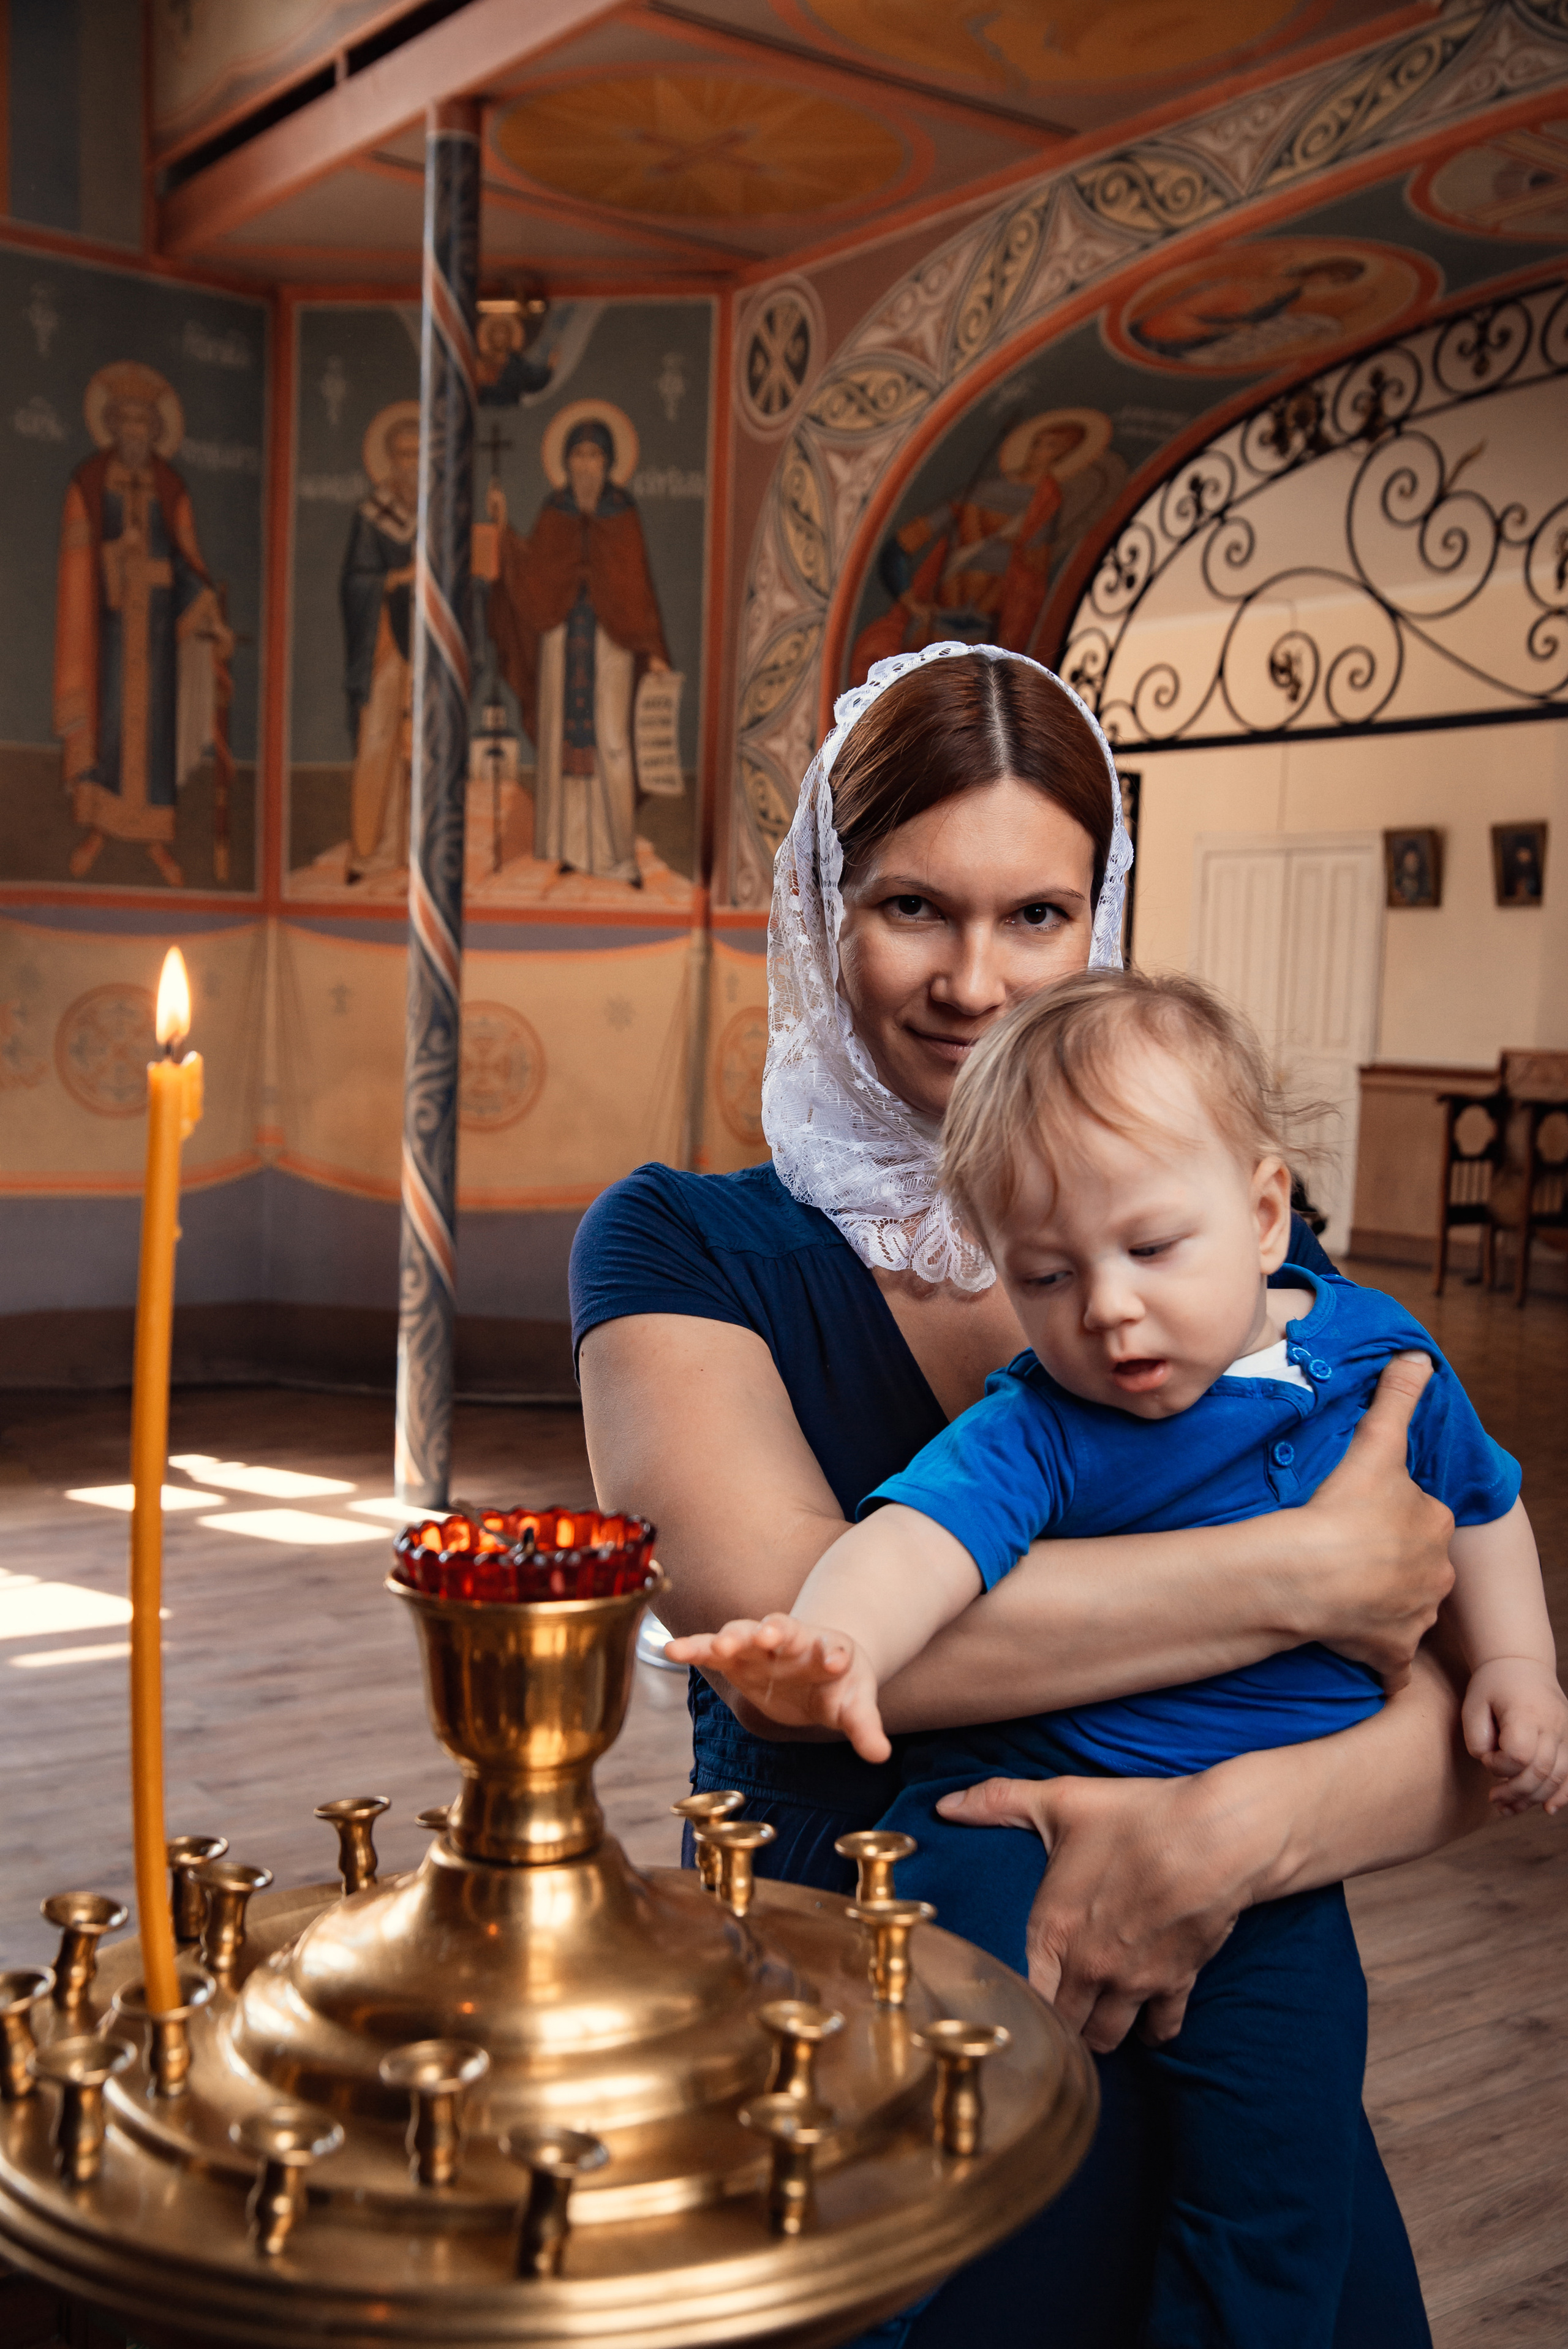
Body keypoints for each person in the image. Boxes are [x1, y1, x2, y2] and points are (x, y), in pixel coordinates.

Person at [571, 642, 1477, 2345]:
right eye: (915, 905)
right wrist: (1313, 1573)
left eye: (1040, 916)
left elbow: (1457, 1739)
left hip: (1235, 1998)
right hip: (874, 2025)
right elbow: (806, 1629)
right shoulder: (683, 1242)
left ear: (1105, 913)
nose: (976, 983)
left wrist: (1214, 1839)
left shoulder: (1248, 1267)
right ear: (819, 905)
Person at [673, 966, 1567, 2344]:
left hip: (1278, 1879)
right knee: (918, 2142)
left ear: (1263, 1212)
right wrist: (831, 1642)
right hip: (1008, 1828)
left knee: (1275, 2190)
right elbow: (914, 1545)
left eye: (1150, 1249)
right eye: (1046, 1274)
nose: (1105, 1312)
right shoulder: (1035, 1421)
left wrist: (1516, 1669)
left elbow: (1479, 1503)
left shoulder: (1373, 1360)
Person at [54, 360, 233, 889]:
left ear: (156, 431)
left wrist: (210, 619)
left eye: (144, 424)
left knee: (153, 732)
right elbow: (76, 566)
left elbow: (187, 563)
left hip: (156, 632)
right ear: (113, 426)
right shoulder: (87, 482)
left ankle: (155, 838)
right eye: (126, 423)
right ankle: (99, 831)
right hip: (107, 632)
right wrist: (115, 554)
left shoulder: (170, 487)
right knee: (110, 725)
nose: (136, 432)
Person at [486, 411, 669, 884]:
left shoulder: (622, 512)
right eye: (578, 455)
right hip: (560, 640)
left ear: (609, 463)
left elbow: (638, 588)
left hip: (612, 644)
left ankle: (617, 855)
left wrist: (651, 647)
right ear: (566, 463)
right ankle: (571, 848)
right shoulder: (555, 509)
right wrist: (505, 529)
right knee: (559, 742)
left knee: (611, 741)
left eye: (595, 455)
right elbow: (533, 575)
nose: (586, 465)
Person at [851, 408, 1124, 681]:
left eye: (1053, 446)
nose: (1039, 450)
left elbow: (1031, 585)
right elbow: (898, 547)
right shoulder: (979, 492)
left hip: (984, 629)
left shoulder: (1045, 507)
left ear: (1063, 456)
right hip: (937, 618)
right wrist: (911, 602)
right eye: (1039, 442)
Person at [340, 401, 419, 884]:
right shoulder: (373, 515)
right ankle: (371, 853)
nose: (411, 464)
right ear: (390, 460)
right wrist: (397, 577)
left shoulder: (441, 513)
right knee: (376, 746)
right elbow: (354, 581)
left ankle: (417, 852)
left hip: (429, 649)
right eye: (403, 454)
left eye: (418, 455)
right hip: (386, 646)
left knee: (422, 750)